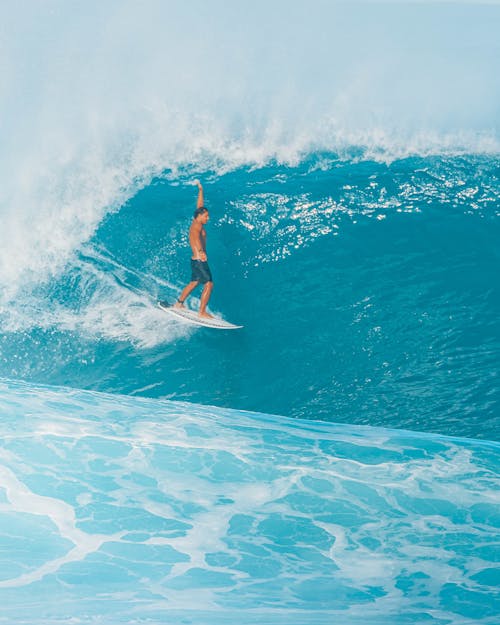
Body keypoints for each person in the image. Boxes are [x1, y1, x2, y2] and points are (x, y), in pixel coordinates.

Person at [174, 181, 214, 318]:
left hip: (195, 260)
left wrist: (201, 189)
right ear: (200, 217)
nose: (208, 218)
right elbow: (195, 238)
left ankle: (179, 304)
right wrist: (201, 252)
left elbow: (200, 206)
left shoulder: (197, 221)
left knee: (194, 282)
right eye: (206, 216)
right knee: (208, 284)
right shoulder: (196, 227)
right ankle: (201, 312)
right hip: (199, 260)